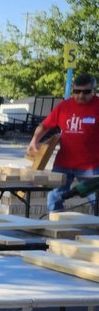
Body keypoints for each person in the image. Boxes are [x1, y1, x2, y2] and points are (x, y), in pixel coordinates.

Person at [27, 72, 99, 213]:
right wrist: (34, 140)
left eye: (86, 92)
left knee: (96, 200)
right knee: (54, 197)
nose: (80, 95)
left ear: (94, 91)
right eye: (77, 91)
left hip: (91, 165)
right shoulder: (64, 106)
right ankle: (55, 225)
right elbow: (45, 126)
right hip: (63, 163)